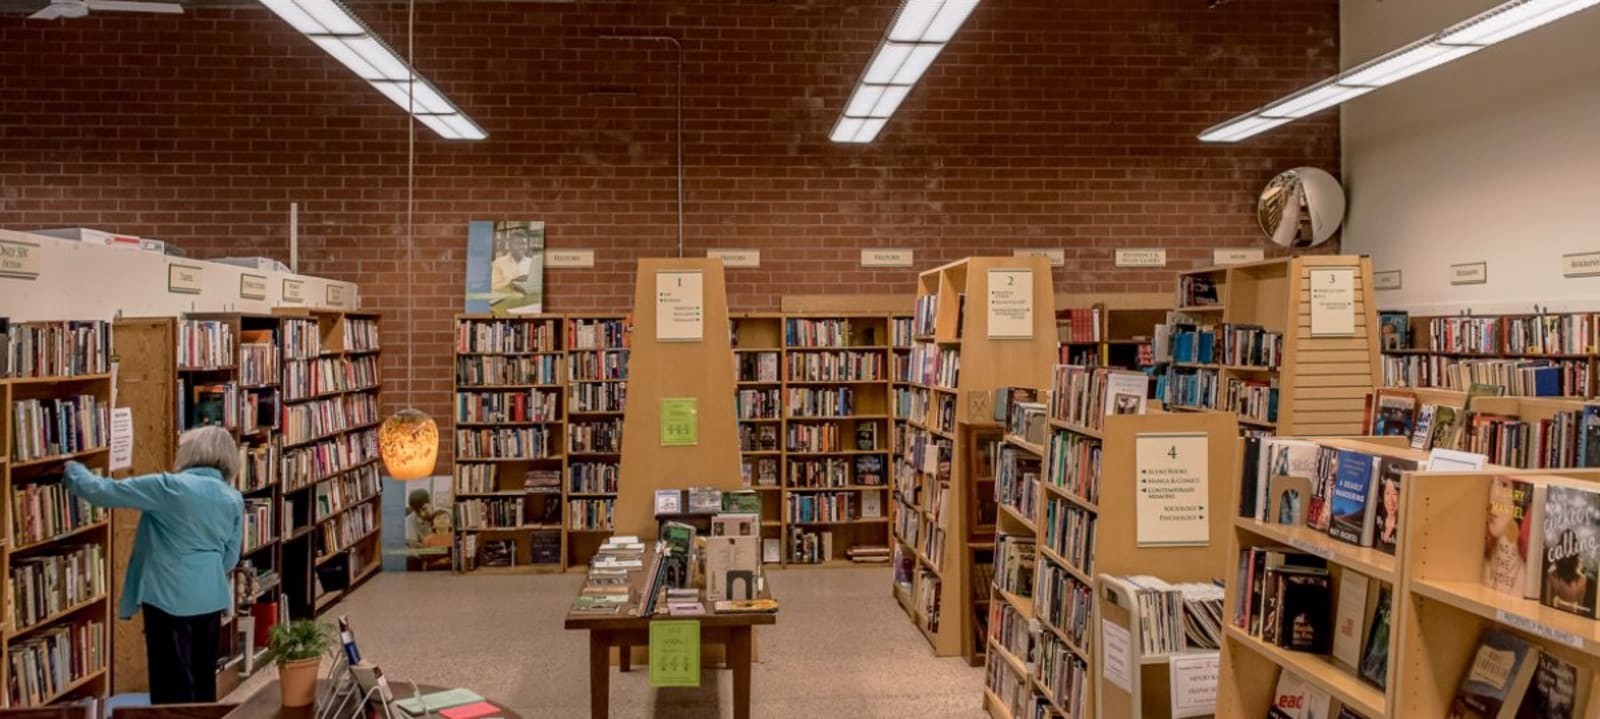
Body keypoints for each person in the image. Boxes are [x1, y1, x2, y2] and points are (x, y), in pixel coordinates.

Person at [64, 426, 244, 704]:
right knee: (203, 681)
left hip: (167, 596)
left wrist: (72, 468)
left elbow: (103, 492)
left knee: (171, 684)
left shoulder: (169, 487)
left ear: (189, 451)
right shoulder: (233, 498)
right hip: (210, 596)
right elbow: (230, 558)